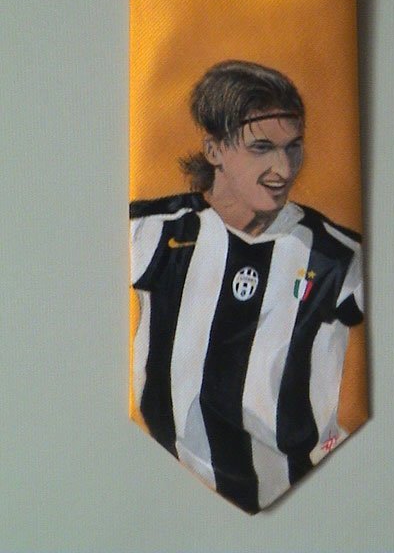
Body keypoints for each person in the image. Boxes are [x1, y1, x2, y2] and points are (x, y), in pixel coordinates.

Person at [130, 60, 363, 513]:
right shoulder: (150, 232)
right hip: (152, 486)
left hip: (318, 495)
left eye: (293, 147)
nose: (283, 168)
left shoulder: (338, 257)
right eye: (262, 148)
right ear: (214, 149)